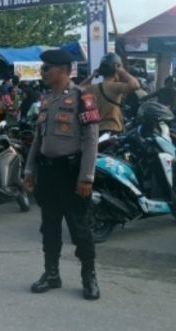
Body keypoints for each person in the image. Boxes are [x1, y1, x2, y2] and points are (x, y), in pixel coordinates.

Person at [23, 49, 101, 300]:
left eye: (47, 68)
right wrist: (29, 169)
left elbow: (91, 140)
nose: (42, 72)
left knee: (80, 229)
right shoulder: (46, 100)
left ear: (65, 70)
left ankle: (89, 277)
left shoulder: (83, 97)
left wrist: (86, 177)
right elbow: (39, 138)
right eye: (42, 68)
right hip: (48, 173)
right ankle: (52, 274)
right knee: (49, 227)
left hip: (72, 173)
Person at [81, 53, 140, 135]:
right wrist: (122, 71)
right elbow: (135, 85)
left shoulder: (92, 88)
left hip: (97, 130)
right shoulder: (114, 87)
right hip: (113, 129)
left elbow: (78, 89)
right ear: (116, 70)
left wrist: (92, 76)